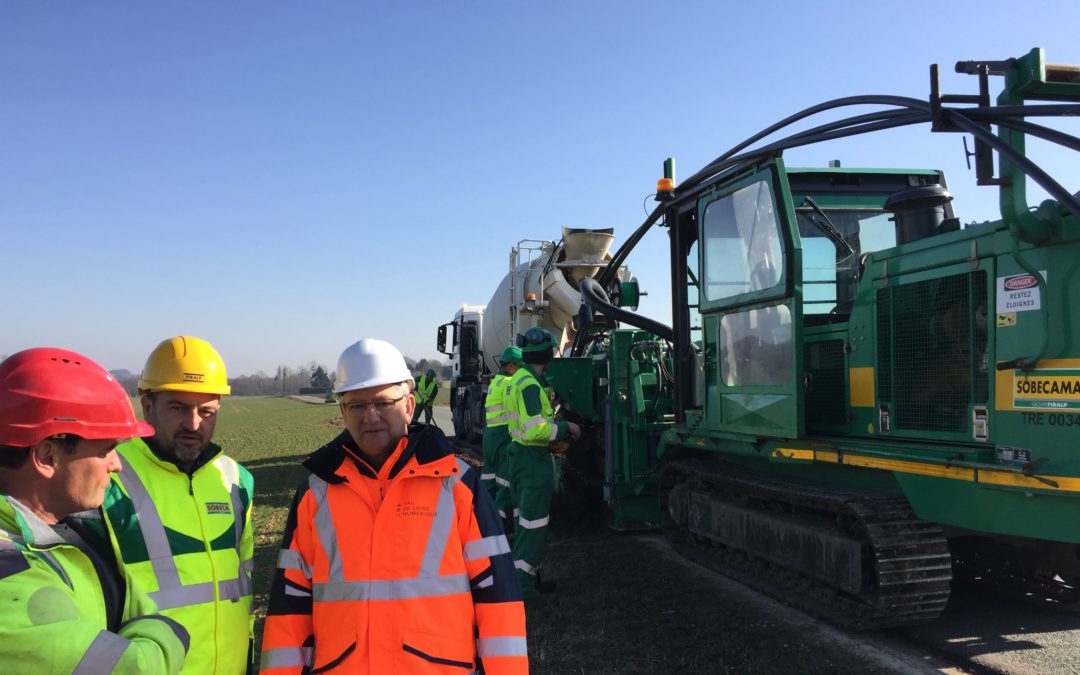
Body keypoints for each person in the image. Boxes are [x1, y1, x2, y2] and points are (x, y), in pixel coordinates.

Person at [262, 338, 527, 674]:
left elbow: (498, 600)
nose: (370, 416)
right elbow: (289, 609)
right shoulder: (316, 494)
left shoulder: (457, 486)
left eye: (383, 403)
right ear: (342, 412)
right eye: (356, 405)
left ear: (408, 406)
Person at [0, 347, 190, 673]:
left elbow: (141, 609)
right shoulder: (9, 572)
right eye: (107, 450)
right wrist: (169, 634)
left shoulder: (78, 531)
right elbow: (139, 666)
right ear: (47, 457)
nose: (116, 465)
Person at [97, 336, 254, 674]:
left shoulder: (237, 482)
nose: (194, 424)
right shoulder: (108, 480)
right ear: (148, 405)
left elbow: (243, 581)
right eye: (179, 408)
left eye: (207, 411)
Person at [505, 327, 580, 599]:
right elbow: (534, 429)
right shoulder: (528, 385)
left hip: (519, 458)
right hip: (532, 461)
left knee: (526, 524)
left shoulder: (522, 379)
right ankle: (523, 588)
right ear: (548, 352)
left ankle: (529, 579)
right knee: (533, 526)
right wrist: (564, 427)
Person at [481, 346, 522, 524]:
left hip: (490, 434)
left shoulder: (495, 382)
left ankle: (483, 518)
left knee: (489, 478)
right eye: (520, 366)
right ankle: (501, 525)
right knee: (505, 480)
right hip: (502, 435)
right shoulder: (508, 383)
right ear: (512, 365)